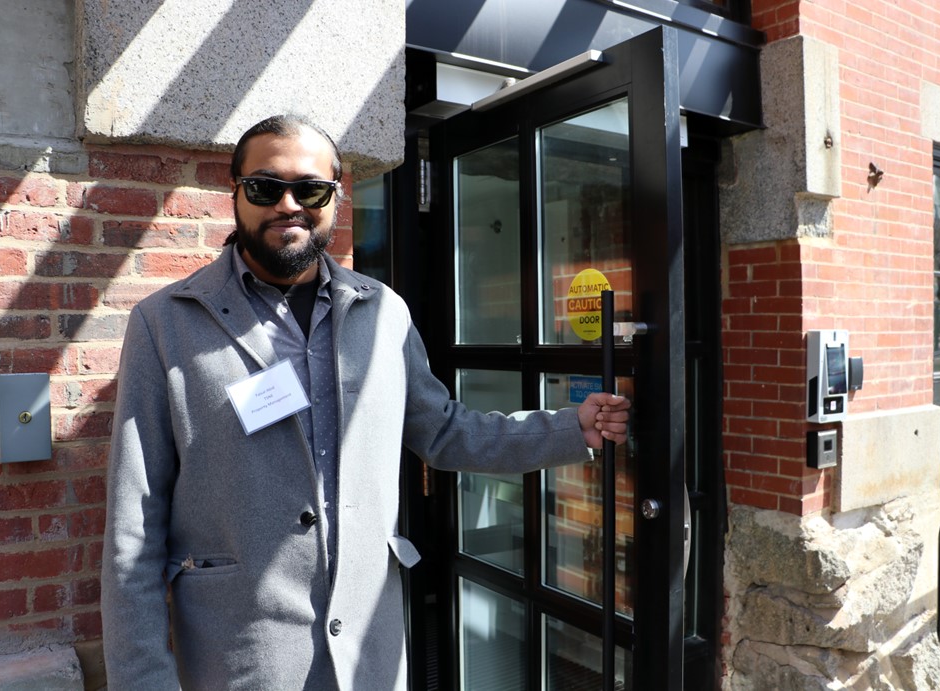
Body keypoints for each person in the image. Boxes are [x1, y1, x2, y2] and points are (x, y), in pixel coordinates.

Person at [100, 114, 631, 690]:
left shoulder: (383, 312)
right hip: (242, 654)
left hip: (370, 650)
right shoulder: (164, 323)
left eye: (310, 188)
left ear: (334, 197)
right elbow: (135, 524)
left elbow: (445, 431)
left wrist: (571, 427)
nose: (288, 204)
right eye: (264, 187)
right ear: (235, 194)